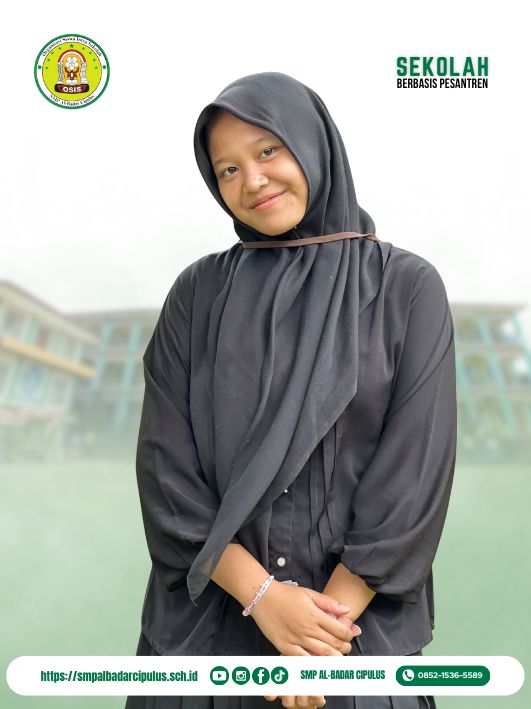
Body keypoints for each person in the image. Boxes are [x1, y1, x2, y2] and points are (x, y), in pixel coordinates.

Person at [125, 72, 457, 709]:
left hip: (357, 646)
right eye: (227, 169)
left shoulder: (406, 289)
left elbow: (413, 479)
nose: (251, 181)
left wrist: (317, 642)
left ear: (312, 143)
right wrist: (264, 600)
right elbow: (167, 474)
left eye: (268, 150)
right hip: (206, 644)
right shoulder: (197, 294)